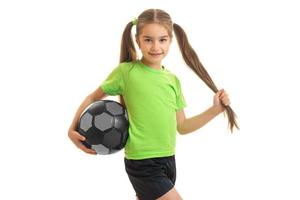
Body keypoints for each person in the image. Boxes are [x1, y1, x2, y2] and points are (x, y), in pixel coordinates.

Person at [68, 8, 238, 200]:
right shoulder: (126, 72)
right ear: (138, 40)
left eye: (162, 40)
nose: (156, 46)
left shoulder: (173, 80)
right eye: (148, 39)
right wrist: (72, 129)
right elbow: (92, 97)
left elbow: (182, 126)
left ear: (170, 40)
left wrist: (215, 110)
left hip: (168, 159)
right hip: (142, 161)